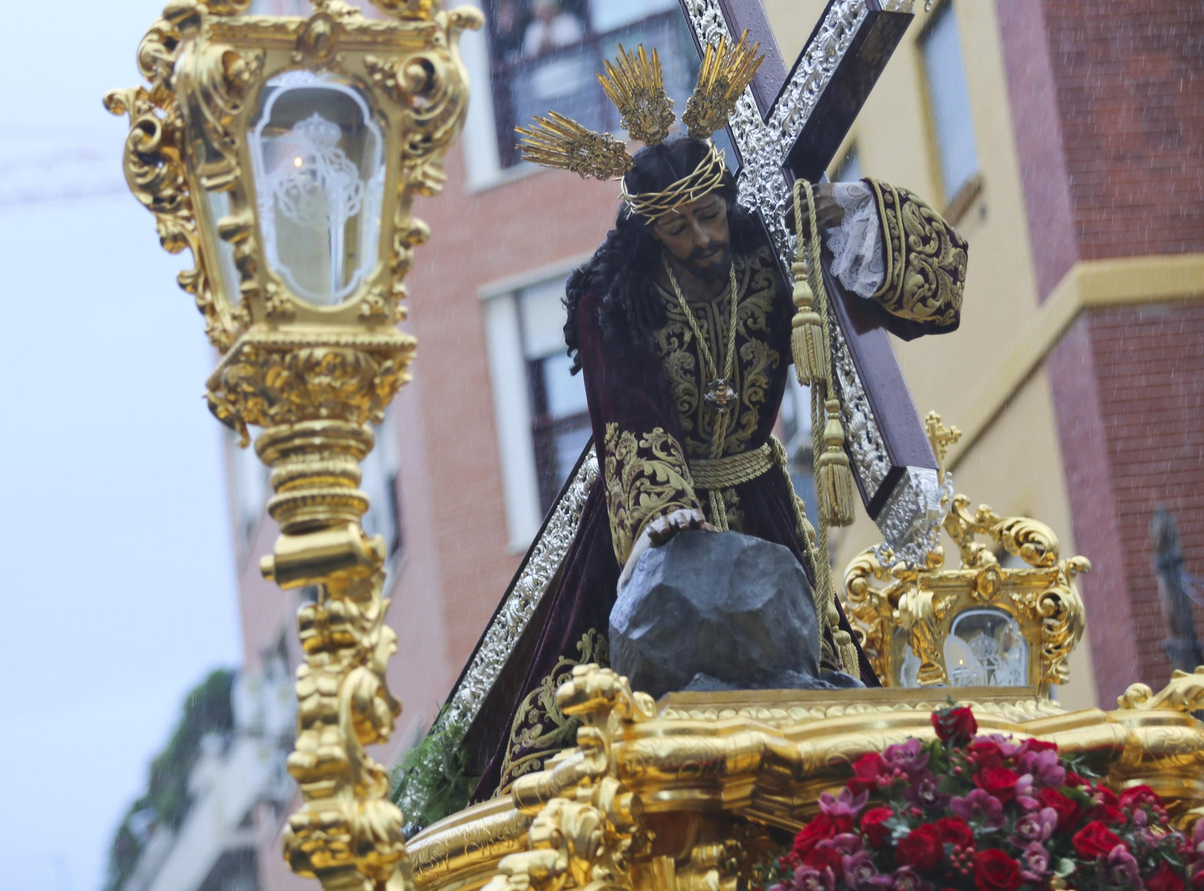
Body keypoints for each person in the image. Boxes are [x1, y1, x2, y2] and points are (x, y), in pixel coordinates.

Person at [411, 41, 968, 810]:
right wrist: (659, 513)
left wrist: (846, 207)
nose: (702, 238)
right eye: (678, 229)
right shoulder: (613, 297)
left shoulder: (772, 253)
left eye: (709, 215)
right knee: (598, 716)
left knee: (817, 698)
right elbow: (627, 406)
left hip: (764, 501)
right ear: (649, 233)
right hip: (656, 530)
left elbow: (933, 294)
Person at [521, 0, 585, 57]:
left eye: (543, 10)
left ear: (552, 8)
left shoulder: (568, 22)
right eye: (537, 12)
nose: (540, 14)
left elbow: (576, 44)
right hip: (546, 66)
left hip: (571, 63)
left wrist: (553, 44)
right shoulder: (532, 29)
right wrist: (539, 47)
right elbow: (528, 54)